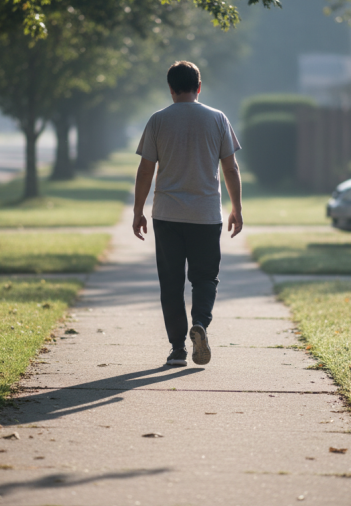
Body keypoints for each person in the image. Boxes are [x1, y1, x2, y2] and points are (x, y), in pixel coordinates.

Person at [132, 60, 243, 367]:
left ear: (170, 89)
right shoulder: (218, 119)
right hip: (206, 215)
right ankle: (201, 326)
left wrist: (138, 211)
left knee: (170, 282)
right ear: (199, 87)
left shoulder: (158, 120)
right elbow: (231, 168)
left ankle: (178, 349)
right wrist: (237, 208)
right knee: (205, 278)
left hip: (167, 215)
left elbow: (145, 170)